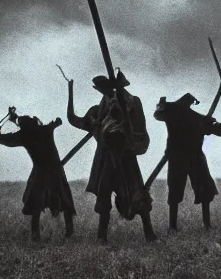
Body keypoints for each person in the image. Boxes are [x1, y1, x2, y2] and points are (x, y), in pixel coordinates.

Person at [67, 71, 157, 243]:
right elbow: (73, 119)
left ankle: (149, 233)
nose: (105, 91)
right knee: (104, 195)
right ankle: (102, 236)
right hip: (105, 159)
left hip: (126, 157)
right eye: (102, 88)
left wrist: (120, 104)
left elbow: (133, 122)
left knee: (137, 194)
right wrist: (70, 90)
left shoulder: (127, 102)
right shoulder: (97, 113)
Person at [153, 93, 221, 232]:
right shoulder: (193, 118)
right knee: (175, 191)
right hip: (182, 157)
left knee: (203, 190)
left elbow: (219, 130)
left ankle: (204, 225)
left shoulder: (194, 119)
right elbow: (158, 114)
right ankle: (175, 226)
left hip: (191, 157)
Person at [0, 114, 76, 241]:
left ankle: (35, 235)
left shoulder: (24, 136)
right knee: (64, 200)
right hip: (55, 171)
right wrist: (55, 123)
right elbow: (56, 122)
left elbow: (4, 139)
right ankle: (69, 232)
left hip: (40, 172)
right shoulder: (45, 129)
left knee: (35, 204)